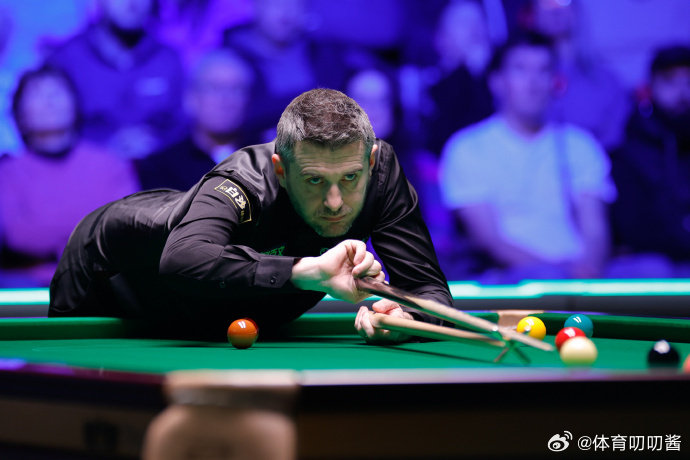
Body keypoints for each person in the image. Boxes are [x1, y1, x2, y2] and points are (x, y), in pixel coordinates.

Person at [49, 88, 451, 343]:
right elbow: (182, 258)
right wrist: (308, 270)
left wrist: (402, 317)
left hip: (233, 306)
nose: (334, 202)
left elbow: (430, 294)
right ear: (281, 169)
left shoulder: (381, 174)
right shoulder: (243, 182)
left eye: (349, 178)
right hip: (114, 271)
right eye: (313, 180)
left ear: (371, 161)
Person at [439, 32, 616, 282]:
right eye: (520, 70)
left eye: (543, 71)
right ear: (497, 81)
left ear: (555, 82)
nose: (533, 83)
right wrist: (556, 274)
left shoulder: (580, 144)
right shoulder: (467, 147)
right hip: (511, 278)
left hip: (582, 273)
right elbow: (488, 239)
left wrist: (588, 268)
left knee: (654, 271)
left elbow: (595, 227)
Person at [0, 66, 139, 287]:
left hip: (100, 284)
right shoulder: (7, 172)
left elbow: (124, 231)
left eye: (57, 92)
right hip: (27, 289)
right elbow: (17, 235)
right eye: (37, 93)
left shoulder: (110, 165)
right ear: (20, 114)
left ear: (75, 105)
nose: (49, 101)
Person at [46, 0, 185, 159]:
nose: (132, 3)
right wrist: (103, 144)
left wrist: (157, 142)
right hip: (86, 167)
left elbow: (183, 127)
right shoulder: (66, 60)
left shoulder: (169, 60)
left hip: (156, 168)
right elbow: (49, 129)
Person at [609, 45, 690, 276]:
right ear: (649, 89)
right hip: (657, 259)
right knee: (653, 268)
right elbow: (636, 229)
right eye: (670, 83)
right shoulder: (629, 154)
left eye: (688, 83)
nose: (682, 94)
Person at [136, 49, 257, 191]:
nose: (225, 100)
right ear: (191, 98)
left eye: (236, 90)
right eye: (215, 88)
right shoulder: (161, 167)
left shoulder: (266, 160)